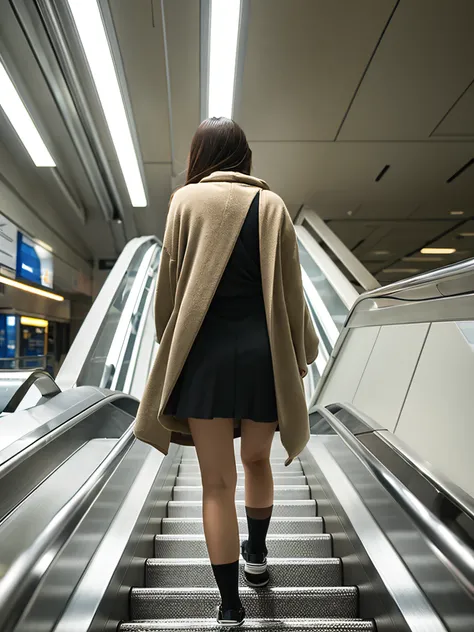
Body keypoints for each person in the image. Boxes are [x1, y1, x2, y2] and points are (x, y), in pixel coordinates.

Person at [134, 117, 319, 627]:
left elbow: (169, 286)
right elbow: (291, 291)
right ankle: (257, 559)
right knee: (257, 462)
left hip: (204, 359)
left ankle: (230, 605)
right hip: (263, 359)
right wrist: (303, 351)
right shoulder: (273, 205)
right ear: (244, 156)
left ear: (200, 156)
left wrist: (165, 340)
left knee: (216, 483)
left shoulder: (185, 202)